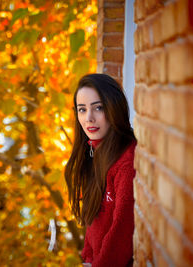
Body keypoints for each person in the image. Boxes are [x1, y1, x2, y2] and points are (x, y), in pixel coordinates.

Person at [65, 73, 136, 267]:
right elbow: (94, 223)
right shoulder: (96, 152)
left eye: (98, 107)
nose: (89, 118)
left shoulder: (126, 163)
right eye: (82, 109)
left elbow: (122, 229)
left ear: (114, 108)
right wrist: (87, 257)